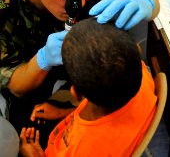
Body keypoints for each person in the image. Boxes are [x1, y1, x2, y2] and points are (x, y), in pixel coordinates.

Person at [0, 0, 159, 148]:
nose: (81, 2)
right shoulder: (4, 3)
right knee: (29, 134)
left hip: (78, 71)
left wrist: (146, 4)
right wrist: (42, 60)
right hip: (30, 76)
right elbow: (17, 86)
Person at [19, 17, 157, 157]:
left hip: (50, 149)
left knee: (20, 122)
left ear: (76, 93)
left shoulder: (81, 150)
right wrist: (63, 113)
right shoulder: (139, 71)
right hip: (82, 126)